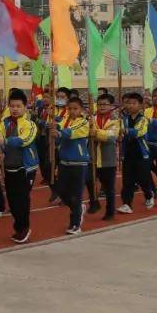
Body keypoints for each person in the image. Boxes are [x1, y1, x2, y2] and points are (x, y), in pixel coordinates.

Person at [1, 89, 37, 243]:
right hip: (9, 166)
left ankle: (24, 227)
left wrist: (7, 142)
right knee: (12, 199)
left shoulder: (29, 124)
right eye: (12, 106)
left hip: (25, 167)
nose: (15, 109)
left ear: (25, 107)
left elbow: (25, 140)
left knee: (22, 199)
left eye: (18, 106)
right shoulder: (4, 123)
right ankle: (18, 226)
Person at [52, 96, 90, 235]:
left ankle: (75, 223)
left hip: (78, 162)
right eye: (70, 109)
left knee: (76, 193)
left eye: (75, 109)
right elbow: (58, 128)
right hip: (64, 162)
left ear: (81, 110)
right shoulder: (64, 121)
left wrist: (59, 132)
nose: (72, 111)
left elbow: (71, 132)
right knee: (60, 191)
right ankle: (78, 207)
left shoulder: (84, 123)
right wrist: (52, 127)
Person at [118, 92, 154, 214]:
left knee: (143, 179)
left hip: (141, 154)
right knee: (127, 180)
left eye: (134, 103)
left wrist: (126, 131)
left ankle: (149, 195)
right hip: (128, 153)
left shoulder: (143, 119)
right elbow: (119, 132)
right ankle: (127, 204)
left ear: (140, 105)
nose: (131, 105)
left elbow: (139, 132)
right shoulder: (123, 119)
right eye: (129, 103)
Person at [87, 93, 120, 220]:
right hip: (92, 157)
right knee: (89, 181)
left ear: (111, 106)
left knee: (108, 188)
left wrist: (96, 133)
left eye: (105, 104)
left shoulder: (115, 120)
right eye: (99, 104)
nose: (101, 106)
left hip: (108, 159)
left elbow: (111, 137)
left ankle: (110, 212)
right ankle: (94, 203)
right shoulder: (91, 119)